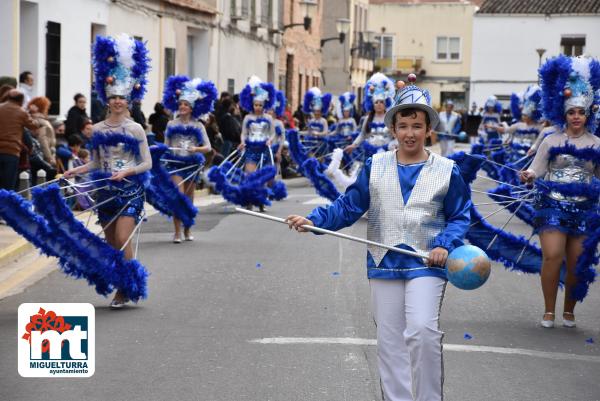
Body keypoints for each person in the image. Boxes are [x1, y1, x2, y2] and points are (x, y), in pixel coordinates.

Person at [287, 82, 471, 401]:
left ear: (429, 129)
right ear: (392, 128)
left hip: (427, 263)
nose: (409, 133)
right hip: (384, 263)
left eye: (417, 126)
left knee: (423, 332)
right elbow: (349, 206)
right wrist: (314, 220)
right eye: (403, 126)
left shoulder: (447, 170)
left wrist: (445, 244)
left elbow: (459, 215)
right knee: (390, 343)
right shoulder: (375, 166)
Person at [64, 33, 152, 308]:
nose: (117, 102)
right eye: (113, 97)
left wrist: (127, 173)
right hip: (106, 191)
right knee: (113, 243)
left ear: (129, 101)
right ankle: (121, 285)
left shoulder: (135, 128)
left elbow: (146, 163)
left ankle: (126, 287)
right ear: (107, 99)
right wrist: (76, 171)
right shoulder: (99, 129)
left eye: (122, 98)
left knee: (124, 238)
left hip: (129, 190)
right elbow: (97, 162)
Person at [520, 55, 600, 329]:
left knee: (577, 262)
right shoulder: (550, 138)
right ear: (564, 113)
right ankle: (549, 310)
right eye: (571, 112)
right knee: (553, 255)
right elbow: (537, 168)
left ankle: (569, 310)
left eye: (581, 112)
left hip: (584, 209)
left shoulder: (597, 143)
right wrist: (528, 176)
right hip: (552, 204)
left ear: (588, 114)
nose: (576, 117)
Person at [162, 75, 216, 242]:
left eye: (186, 104)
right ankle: (177, 232)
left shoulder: (198, 125)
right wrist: (166, 154)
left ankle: (187, 230)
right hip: (176, 164)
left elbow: (207, 147)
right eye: (180, 104)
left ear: (192, 107)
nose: (182, 107)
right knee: (178, 197)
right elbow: (166, 145)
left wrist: (195, 149)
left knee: (188, 199)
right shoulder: (171, 124)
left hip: (191, 165)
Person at [345, 72, 396, 156]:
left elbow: (397, 136)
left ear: (385, 104)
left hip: (387, 154)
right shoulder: (368, 118)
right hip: (370, 154)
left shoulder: (391, 118)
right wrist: (353, 145)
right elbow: (362, 134)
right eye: (376, 102)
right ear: (372, 104)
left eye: (381, 102)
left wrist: (394, 145)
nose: (379, 104)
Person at [0, 89, 39, 190]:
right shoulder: (21, 112)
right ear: (21, 100)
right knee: (8, 185)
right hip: (12, 152)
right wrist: (32, 113)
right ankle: (5, 205)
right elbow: (34, 126)